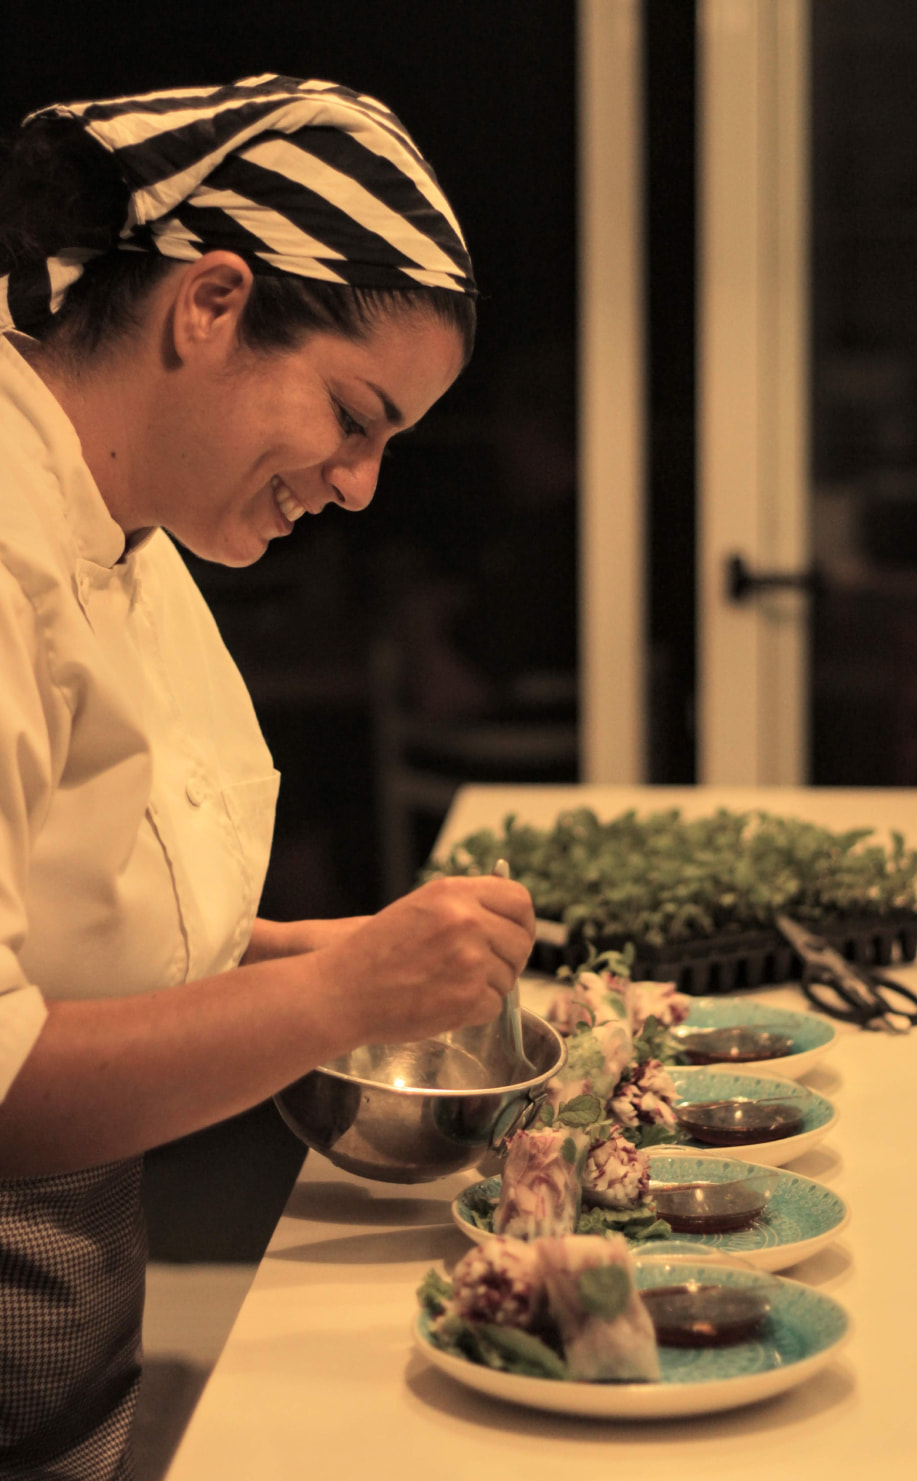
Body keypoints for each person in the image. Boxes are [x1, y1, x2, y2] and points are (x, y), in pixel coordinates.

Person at [0, 75, 534, 1480]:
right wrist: (340, 997)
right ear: (212, 303)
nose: (359, 485)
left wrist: (306, 947)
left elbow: (69, 910)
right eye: (354, 416)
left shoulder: (125, 527)